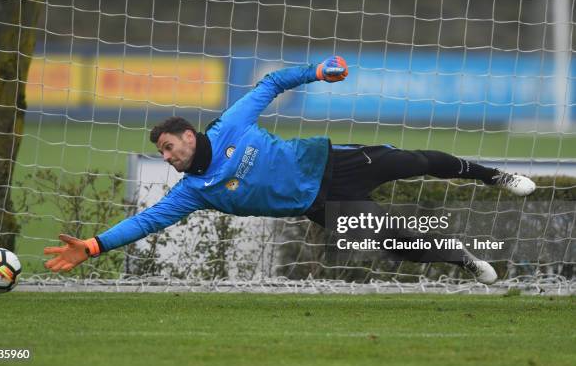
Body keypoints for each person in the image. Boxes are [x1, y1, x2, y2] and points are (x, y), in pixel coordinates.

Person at [44, 56, 536, 284]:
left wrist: (317, 73)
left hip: (334, 161)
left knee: (419, 162)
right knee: (395, 242)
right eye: (164, 154)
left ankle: (493, 175)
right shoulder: (193, 192)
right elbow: (146, 221)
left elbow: (274, 81)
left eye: (171, 148)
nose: (168, 158)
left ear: (190, 136)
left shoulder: (231, 123)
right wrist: (93, 245)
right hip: (318, 204)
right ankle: (463, 261)